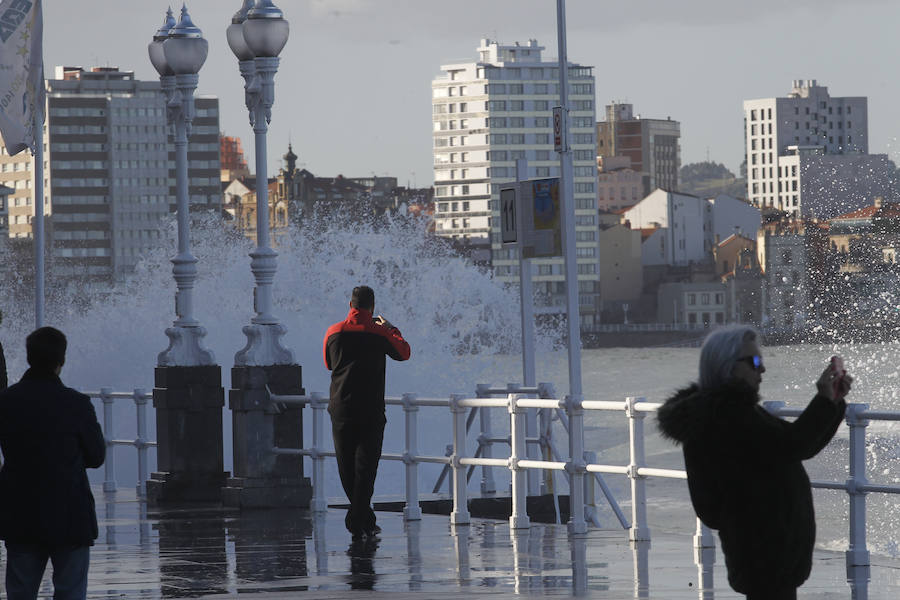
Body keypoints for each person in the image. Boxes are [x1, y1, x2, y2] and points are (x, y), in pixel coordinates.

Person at [657, 325, 850, 600]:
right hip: (764, 550)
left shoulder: (728, 412)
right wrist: (824, 399)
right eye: (755, 362)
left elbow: (797, 446)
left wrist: (832, 403)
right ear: (729, 366)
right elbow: (794, 444)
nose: (762, 370)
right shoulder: (728, 416)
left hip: (762, 550)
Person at [0, 327, 106, 600]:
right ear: (62, 360)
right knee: (71, 591)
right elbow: (96, 457)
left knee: (21, 592)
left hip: (20, 514)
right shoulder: (77, 404)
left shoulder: (7, 402)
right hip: (70, 515)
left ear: (29, 358)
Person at [323, 286, 411, 540]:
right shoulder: (379, 332)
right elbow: (404, 352)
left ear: (350, 305)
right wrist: (391, 327)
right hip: (370, 409)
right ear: (371, 308)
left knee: (346, 465)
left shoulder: (333, 331)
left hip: (340, 408)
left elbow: (329, 363)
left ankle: (363, 519)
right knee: (366, 467)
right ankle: (359, 519)